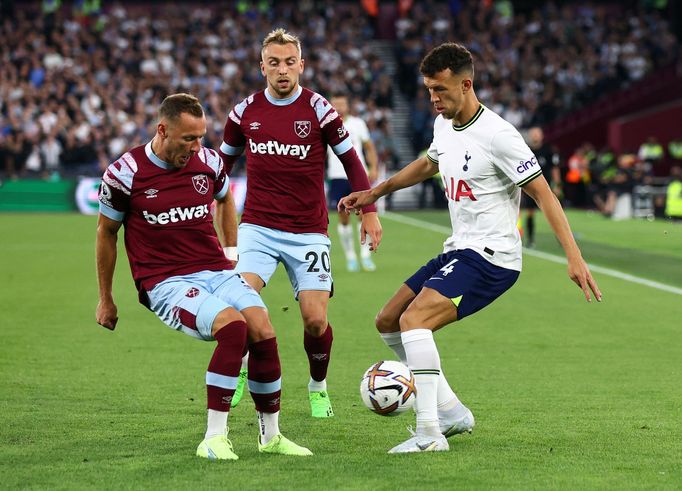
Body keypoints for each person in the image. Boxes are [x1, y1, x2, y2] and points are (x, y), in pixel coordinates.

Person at [339, 43, 602, 454]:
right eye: (428, 90)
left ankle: (429, 434)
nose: (433, 98)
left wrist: (574, 258)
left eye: (440, 90)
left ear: (466, 84)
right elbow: (430, 162)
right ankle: (451, 412)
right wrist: (376, 190)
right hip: (459, 248)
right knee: (388, 321)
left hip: (493, 257)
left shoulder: (498, 135)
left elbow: (544, 195)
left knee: (415, 321)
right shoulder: (443, 125)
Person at [95, 93, 311, 460]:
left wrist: (231, 255)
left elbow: (226, 199)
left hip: (215, 270)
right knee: (233, 328)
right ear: (162, 130)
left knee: (263, 328)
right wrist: (106, 297)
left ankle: (271, 436)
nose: (197, 147)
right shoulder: (125, 173)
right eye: (188, 139)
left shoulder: (209, 162)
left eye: (201, 137)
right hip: (165, 282)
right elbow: (106, 233)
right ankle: (213, 439)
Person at [218, 29, 382, 418]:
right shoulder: (243, 113)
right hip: (257, 226)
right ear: (262, 67)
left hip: (308, 230)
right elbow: (220, 167)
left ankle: (317, 385)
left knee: (314, 319)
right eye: (274, 63)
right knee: (240, 304)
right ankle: (241, 368)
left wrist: (369, 210)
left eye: (290, 62)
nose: (282, 70)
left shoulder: (319, 109)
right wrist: (205, 207)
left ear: (301, 66)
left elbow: (352, 161)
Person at [326, 94, 380, 272]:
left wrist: (373, 167)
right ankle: (351, 257)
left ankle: (365, 256)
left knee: (363, 215)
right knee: (343, 218)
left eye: (342, 104)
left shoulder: (358, 124)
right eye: (336, 104)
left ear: (348, 105)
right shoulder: (326, 124)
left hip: (358, 176)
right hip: (337, 176)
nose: (339, 107)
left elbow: (368, 147)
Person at [520, 126, 561, 247]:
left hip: (547, 187)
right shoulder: (525, 150)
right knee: (530, 213)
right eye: (533, 134)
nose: (535, 136)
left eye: (537, 134)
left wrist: (557, 185)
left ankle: (561, 239)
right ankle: (530, 239)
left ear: (542, 135)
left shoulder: (548, 150)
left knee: (554, 211)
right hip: (530, 187)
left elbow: (554, 168)